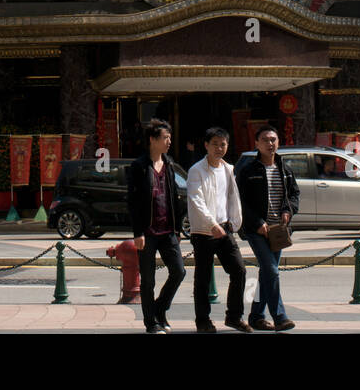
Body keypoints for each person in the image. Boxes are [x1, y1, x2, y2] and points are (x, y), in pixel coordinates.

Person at [235, 125, 300, 332]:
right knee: (271, 270)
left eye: (273, 139)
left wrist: (288, 211)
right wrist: (256, 222)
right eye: (265, 140)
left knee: (266, 274)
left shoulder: (285, 170)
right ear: (256, 144)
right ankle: (280, 316)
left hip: (277, 230)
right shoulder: (248, 171)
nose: (270, 143)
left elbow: (294, 195)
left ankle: (256, 316)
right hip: (257, 230)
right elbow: (240, 202)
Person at [185, 127, 249, 333]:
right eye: (215, 144)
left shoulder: (229, 169)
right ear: (206, 145)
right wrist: (211, 223)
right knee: (202, 277)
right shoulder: (196, 170)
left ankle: (234, 317)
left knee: (239, 270)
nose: (219, 148)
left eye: (223, 144)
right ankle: (202, 320)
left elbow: (232, 197)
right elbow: (196, 200)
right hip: (204, 231)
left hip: (225, 229)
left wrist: (233, 222)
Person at [126, 119, 186, 333]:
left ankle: (159, 309)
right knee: (148, 281)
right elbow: (132, 202)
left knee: (179, 271)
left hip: (168, 230)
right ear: (152, 140)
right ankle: (151, 323)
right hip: (147, 233)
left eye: (170, 137)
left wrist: (177, 229)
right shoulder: (139, 166)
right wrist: (138, 232)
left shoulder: (169, 164)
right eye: (165, 137)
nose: (169, 141)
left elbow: (174, 198)